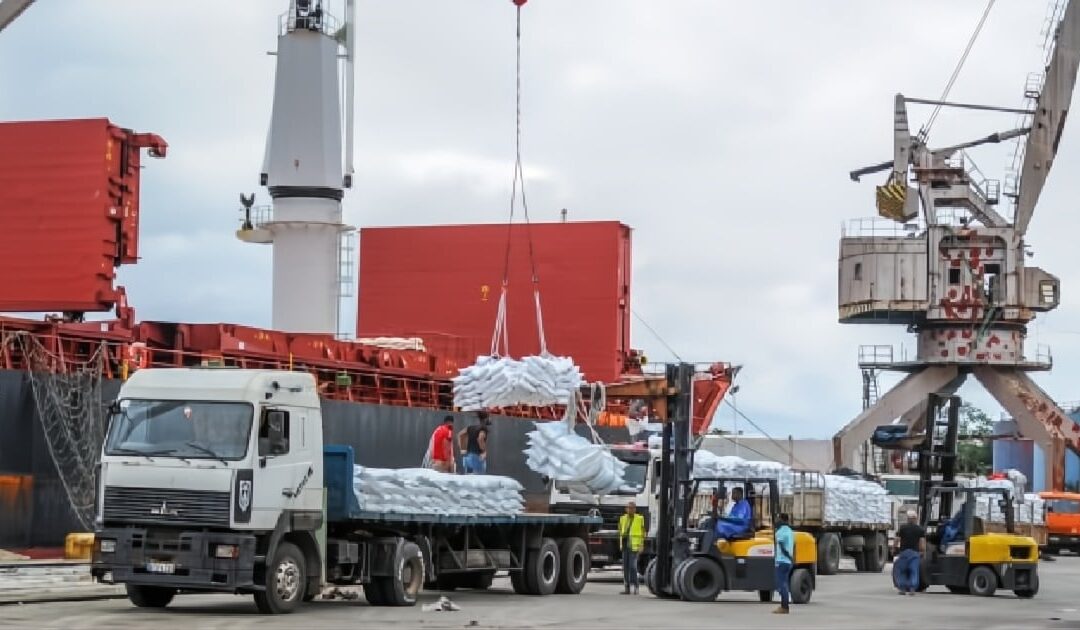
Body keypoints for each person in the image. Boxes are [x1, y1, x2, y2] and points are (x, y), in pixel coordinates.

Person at [895, 510, 925, 596]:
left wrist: (894, 549)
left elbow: (897, 539)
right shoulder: (920, 529)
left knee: (902, 571)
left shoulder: (902, 528)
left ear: (908, 519)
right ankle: (912, 589)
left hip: (904, 552)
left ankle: (902, 589)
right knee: (914, 571)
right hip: (914, 553)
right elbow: (922, 543)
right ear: (916, 519)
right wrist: (922, 551)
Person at [618, 501, 645, 595]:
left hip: (634, 546)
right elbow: (620, 531)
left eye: (632, 508)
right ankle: (627, 588)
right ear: (626, 509)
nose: (630, 509)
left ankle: (636, 586)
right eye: (628, 508)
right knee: (625, 567)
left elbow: (642, 533)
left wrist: (641, 545)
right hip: (625, 545)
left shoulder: (640, 518)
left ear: (635, 509)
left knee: (633, 567)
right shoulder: (622, 518)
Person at [773, 512, 795, 615]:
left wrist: (788, 556)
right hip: (788, 562)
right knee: (784, 583)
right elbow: (792, 546)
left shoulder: (780, 532)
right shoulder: (790, 531)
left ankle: (784, 607)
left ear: (783, 520)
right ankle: (784, 605)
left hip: (782, 561)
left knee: (781, 584)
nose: (777, 521)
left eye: (778, 519)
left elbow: (782, 546)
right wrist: (792, 558)